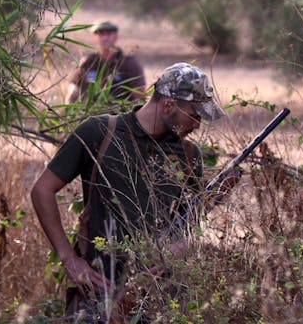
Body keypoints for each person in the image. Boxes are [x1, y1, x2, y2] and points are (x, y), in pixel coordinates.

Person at [31, 63, 238, 322]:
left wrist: (185, 241)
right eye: (194, 115)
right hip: (99, 290)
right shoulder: (100, 132)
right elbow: (42, 190)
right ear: (168, 105)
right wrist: (69, 259)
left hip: (157, 297)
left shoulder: (188, 155)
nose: (197, 125)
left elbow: (187, 222)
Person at [66, 20, 146, 104]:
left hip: (120, 113)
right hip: (91, 114)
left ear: (116, 36)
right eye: (101, 34)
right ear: (94, 37)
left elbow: (139, 96)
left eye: (108, 34)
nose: (105, 38)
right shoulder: (88, 62)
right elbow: (73, 92)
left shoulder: (128, 63)